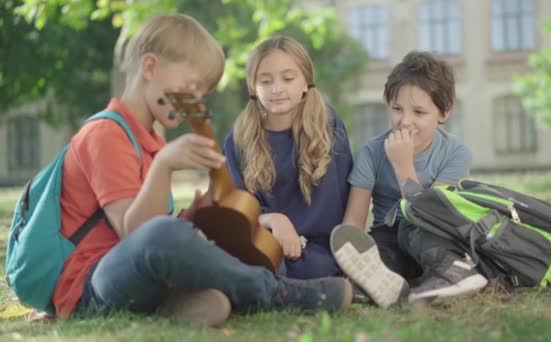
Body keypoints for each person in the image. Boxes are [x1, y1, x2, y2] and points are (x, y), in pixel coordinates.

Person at [53, 14, 352, 327]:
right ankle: (279, 293)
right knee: (164, 235)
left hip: (144, 276)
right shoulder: (105, 133)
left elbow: (153, 232)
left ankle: (183, 304)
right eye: (191, 86)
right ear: (150, 67)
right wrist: (166, 166)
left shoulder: (151, 141)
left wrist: (192, 217)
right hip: (90, 282)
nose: (193, 101)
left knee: (190, 234)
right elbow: (137, 235)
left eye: (201, 93)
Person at [330, 51, 486, 308]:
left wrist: (403, 165)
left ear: (444, 113)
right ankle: (381, 282)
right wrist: (349, 257)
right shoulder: (371, 152)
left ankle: (452, 273)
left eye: (419, 112)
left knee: (425, 240)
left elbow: (431, 214)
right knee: (381, 252)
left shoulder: (457, 153)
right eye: (397, 109)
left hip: (432, 233)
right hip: (388, 235)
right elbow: (354, 222)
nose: (405, 121)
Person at [223, 35, 353, 280]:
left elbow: (338, 203)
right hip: (260, 241)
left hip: (317, 250)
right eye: (266, 80)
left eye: (288, 78)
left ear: (306, 82)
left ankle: (270, 285)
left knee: (316, 267)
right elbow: (235, 211)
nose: (277, 88)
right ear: (253, 87)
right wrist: (274, 220)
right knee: (238, 258)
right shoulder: (238, 138)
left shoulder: (327, 126)